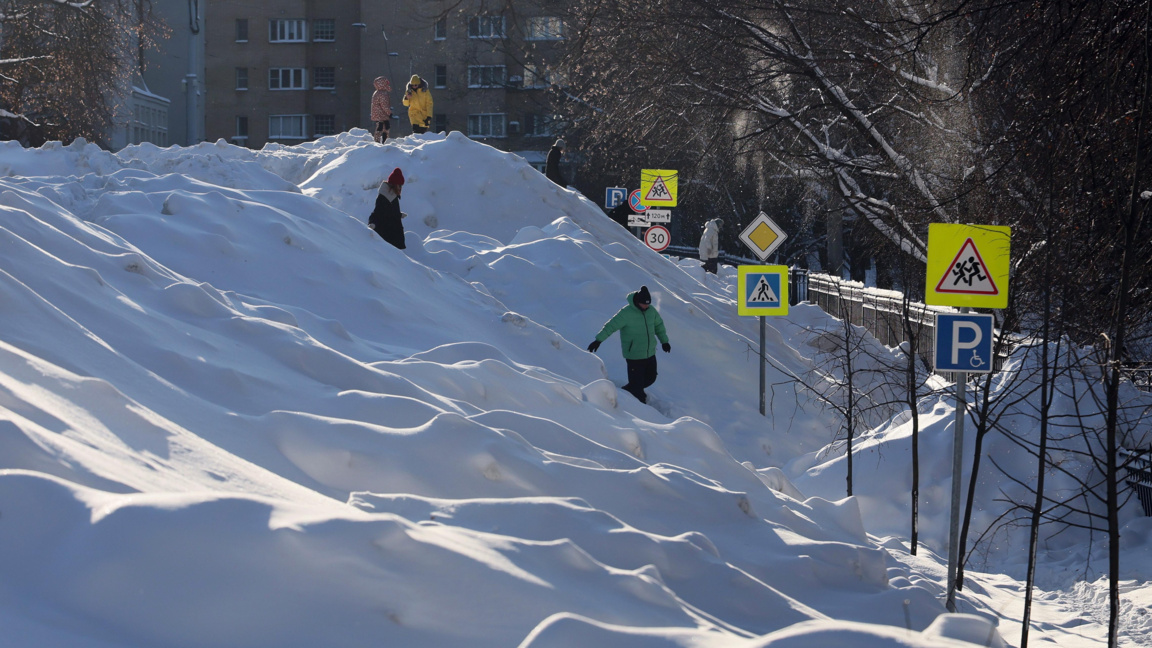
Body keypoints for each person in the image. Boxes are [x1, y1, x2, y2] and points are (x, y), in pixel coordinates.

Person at [586, 285, 670, 404]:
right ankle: (642, 410)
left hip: (650, 352)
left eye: (648, 304)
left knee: (651, 378)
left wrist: (664, 342)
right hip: (634, 355)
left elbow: (659, 327)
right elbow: (611, 326)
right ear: (637, 301)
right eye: (644, 304)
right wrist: (598, 340)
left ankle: (628, 389)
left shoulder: (651, 311)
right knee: (638, 390)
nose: (646, 306)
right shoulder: (626, 313)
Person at [368, 167, 407, 249]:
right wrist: (372, 223)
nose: (400, 188)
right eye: (399, 185)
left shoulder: (393, 196)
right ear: (394, 185)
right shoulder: (383, 197)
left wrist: (398, 215)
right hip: (388, 236)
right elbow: (377, 213)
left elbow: (389, 213)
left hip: (393, 236)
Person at [370, 76, 392, 143]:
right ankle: (384, 141)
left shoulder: (377, 92)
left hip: (377, 114)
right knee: (386, 127)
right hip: (382, 114)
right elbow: (384, 105)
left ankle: (377, 140)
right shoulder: (383, 93)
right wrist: (389, 112)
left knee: (380, 127)